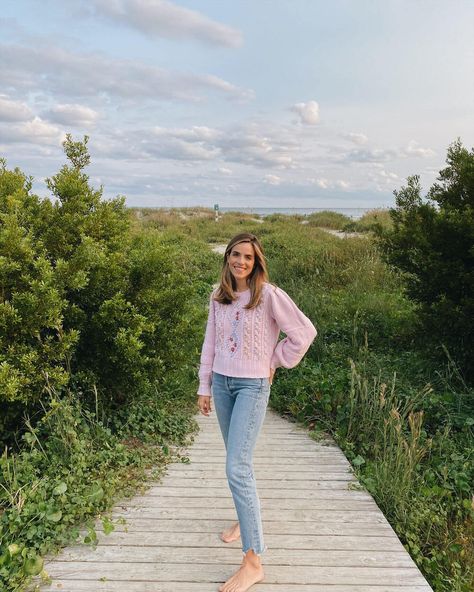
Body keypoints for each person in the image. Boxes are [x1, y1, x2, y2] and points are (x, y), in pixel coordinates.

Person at [197, 232, 317, 592]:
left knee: (237, 466)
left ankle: (253, 562)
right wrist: (204, 385)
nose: (241, 262)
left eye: (248, 257)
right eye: (235, 255)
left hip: (251, 387)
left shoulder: (268, 295)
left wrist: (275, 361)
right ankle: (243, 519)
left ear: (257, 261)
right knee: (239, 464)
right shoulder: (219, 296)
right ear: (227, 258)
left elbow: (304, 333)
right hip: (222, 384)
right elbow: (210, 343)